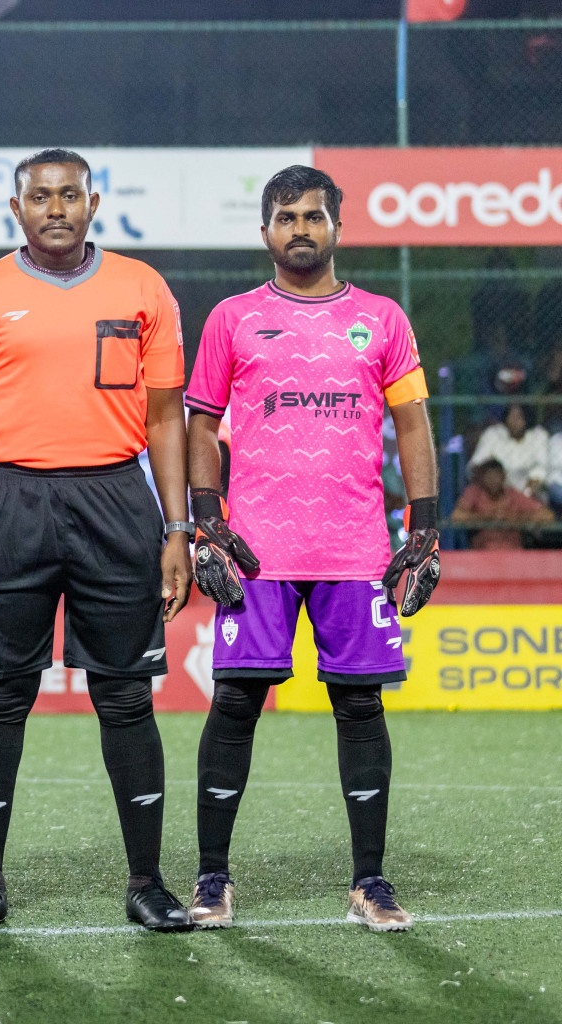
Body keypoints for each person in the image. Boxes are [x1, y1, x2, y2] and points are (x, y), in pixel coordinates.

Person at [0, 148, 194, 933]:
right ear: (15, 209)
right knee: (1, 696)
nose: (56, 207)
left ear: (93, 202)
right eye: (39, 196)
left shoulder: (142, 287)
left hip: (118, 500)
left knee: (124, 696)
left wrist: (177, 528)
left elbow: (164, 419)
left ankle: (146, 882)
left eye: (69, 194)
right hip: (9, 500)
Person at [184, 165, 440, 933]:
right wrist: (206, 521)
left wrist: (422, 529)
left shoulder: (383, 319)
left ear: (336, 227)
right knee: (234, 703)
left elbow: (415, 426)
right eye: (287, 216)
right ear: (265, 231)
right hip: (258, 550)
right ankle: (211, 880)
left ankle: (370, 882)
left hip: (356, 549)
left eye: (314, 216)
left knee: (360, 706)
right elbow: (201, 424)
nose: (301, 228)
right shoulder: (231, 319)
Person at [452, 458, 554, 549]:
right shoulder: (474, 492)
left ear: (503, 476)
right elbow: (456, 516)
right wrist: (486, 517)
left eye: (496, 476)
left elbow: (547, 516)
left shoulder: (513, 494)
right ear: (481, 478)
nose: (493, 481)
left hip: (513, 551)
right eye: (489, 476)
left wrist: (513, 518)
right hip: (482, 552)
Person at [468, 403, 549, 499]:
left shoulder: (538, 435)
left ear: (526, 418)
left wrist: (523, 498)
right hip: (494, 496)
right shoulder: (493, 433)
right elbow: (476, 465)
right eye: (511, 416)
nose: (515, 420)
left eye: (519, 416)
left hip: (529, 497)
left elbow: (540, 471)